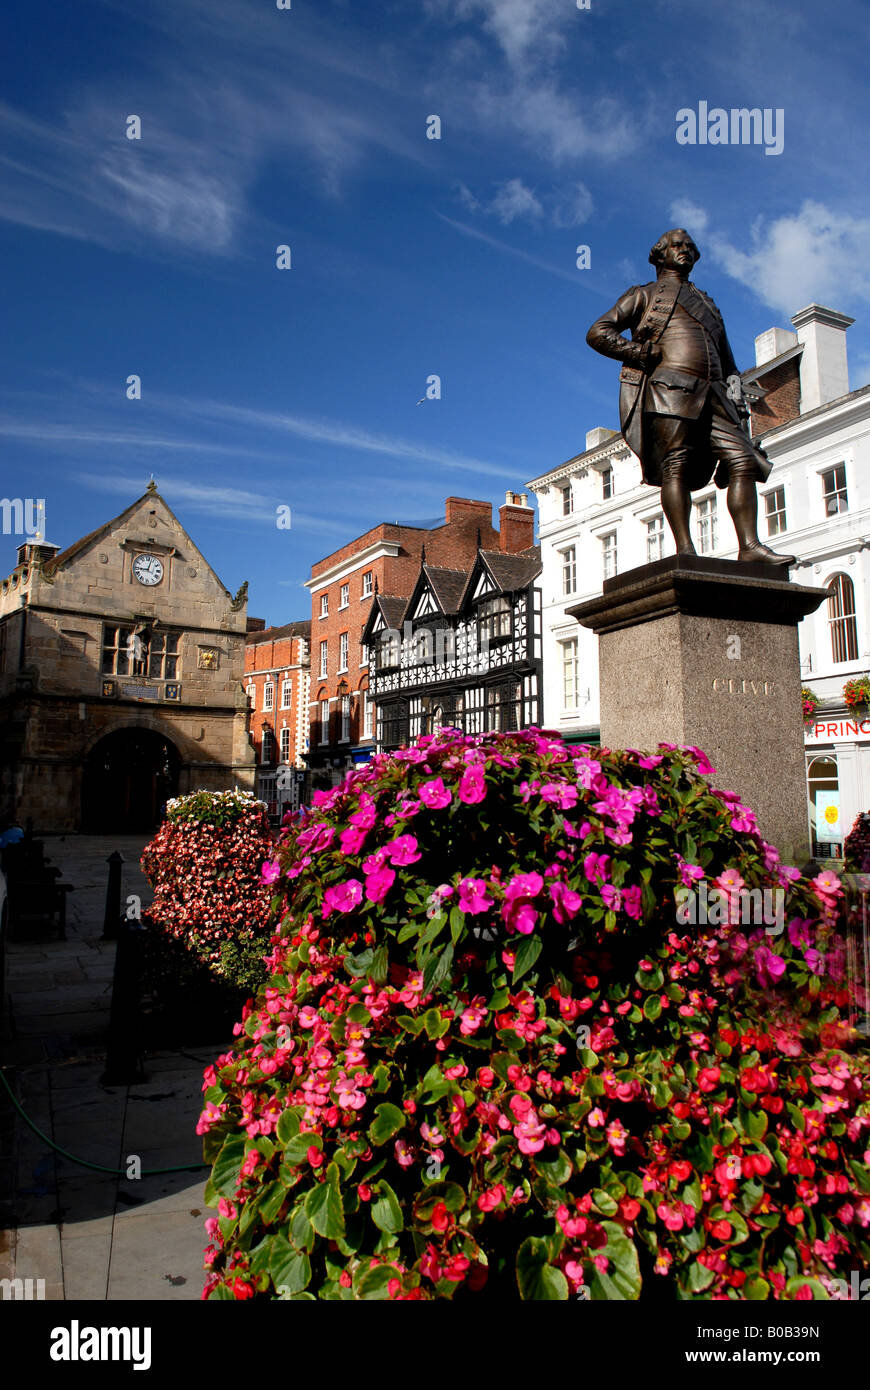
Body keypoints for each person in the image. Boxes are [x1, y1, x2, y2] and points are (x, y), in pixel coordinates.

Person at [586, 228, 795, 566]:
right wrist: (638, 352)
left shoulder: (708, 303)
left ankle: (749, 546)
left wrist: (737, 394)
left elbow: (727, 359)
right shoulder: (643, 295)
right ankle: (685, 549)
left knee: (743, 461)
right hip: (670, 390)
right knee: (676, 467)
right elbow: (598, 331)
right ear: (660, 254)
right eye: (676, 246)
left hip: (715, 394)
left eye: (689, 247)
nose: (684, 250)